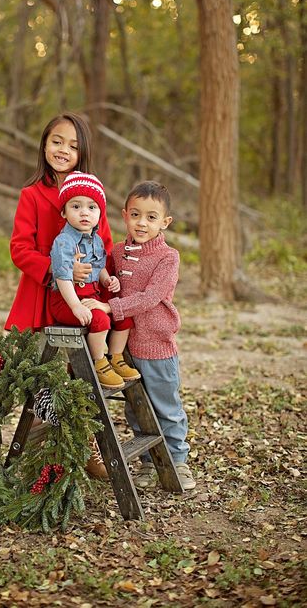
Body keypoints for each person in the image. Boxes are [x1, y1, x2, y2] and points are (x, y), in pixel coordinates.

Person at [82, 180, 196, 491]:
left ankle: (177, 460)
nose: (142, 223)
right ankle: (150, 462)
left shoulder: (168, 257)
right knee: (135, 408)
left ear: (165, 222)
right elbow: (101, 275)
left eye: (151, 217)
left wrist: (109, 306)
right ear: (124, 216)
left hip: (156, 347)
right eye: (135, 215)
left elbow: (150, 297)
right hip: (123, 349)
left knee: (165, 406)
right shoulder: (117, 252)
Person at [5, 112, 112, 333]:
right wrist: (60, 268)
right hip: (42, 290)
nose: (63, 150)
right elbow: (20, 249)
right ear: (45, 145)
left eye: (73, 147)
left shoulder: (92, 197)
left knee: (96, 340)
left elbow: (106, 245)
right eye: (57, 142)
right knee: (41, 358)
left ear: (82, 153)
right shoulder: (31, 195)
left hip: (87, 289)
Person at [49, 171, 140, 390]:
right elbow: (62, 277)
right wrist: (75, 306)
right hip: (66, 300)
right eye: (76, 206)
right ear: (63, 211)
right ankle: (99, 362)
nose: (84, 213)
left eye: (92, 207)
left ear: (100, 213)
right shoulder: (64, 242)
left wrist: (109, 280)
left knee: (122, 317)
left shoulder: (96, 240)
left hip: (91, 295)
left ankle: (116, 357)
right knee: (100, 320)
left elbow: (98, 267)